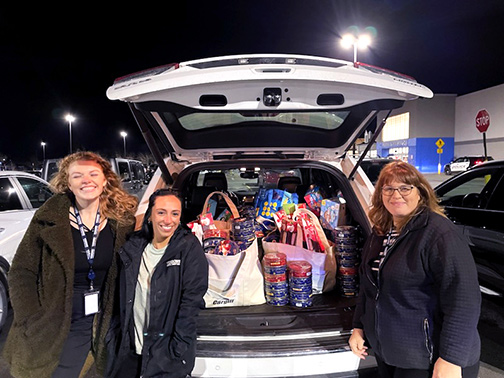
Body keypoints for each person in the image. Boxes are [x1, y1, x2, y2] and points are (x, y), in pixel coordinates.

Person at [3, 151, 138, 378]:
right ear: (68, 182)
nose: (86, 180)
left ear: (105, 179)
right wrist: (31, 316)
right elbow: (21, 271)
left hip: (96, 316)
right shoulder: (49, 219)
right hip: (52, 314)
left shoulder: (122, 222)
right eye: (77, 176)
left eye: (93, 173)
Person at [349, 160, 480, 378]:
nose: (396, 195)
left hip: (428, 357)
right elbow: (369, 285)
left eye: (405, 188)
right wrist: (358, 327)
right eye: (388, 188)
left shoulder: (438, 233)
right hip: (391, 353)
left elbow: (464, 298)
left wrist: (451, 358)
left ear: (420, 192)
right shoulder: (382, 231)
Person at [106, 188, 208, 378]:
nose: (168, 220)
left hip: (166, 355)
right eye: (161, 212)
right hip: (129, 352)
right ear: (150, 215)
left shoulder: (188, 249)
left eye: (174, 214)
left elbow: (191, 304)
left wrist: (178, 350)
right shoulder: (133, 246)